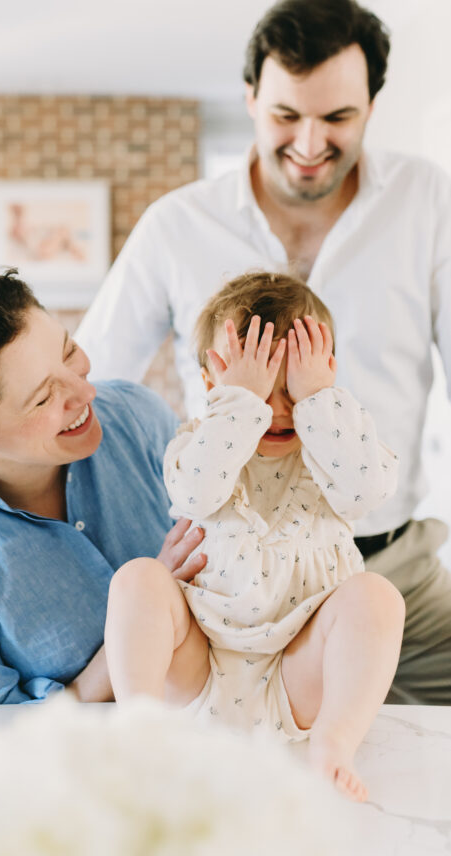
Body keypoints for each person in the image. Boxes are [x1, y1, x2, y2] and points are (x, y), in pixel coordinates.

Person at [77, 0, 451, 704]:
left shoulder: (427, 204)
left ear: (371, 103)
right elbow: (94, 394)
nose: (309, 145)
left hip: (385, 571)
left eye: (336, 117)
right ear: (250, 98)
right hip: (225, 592)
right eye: (286, 115)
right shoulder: (175, 226)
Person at [104, 272, 405, 802]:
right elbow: (195, 496)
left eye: (296, 387)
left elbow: (368, 493)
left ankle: (334, 742)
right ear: (211, 385)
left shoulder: (336, 449)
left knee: (377, 597)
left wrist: (322, 404)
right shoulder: (197, 445)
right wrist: (239, 405)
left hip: (301, 671)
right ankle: (139, 732)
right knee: (138, 578)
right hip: (199, 665)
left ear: (327, 376)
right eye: (260, 388)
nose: (279, 407)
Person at [0, 268, 204, 707]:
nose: (85, 391)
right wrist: (145, 610)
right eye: (45, 398)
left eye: (68, 352)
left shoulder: (136, 416)